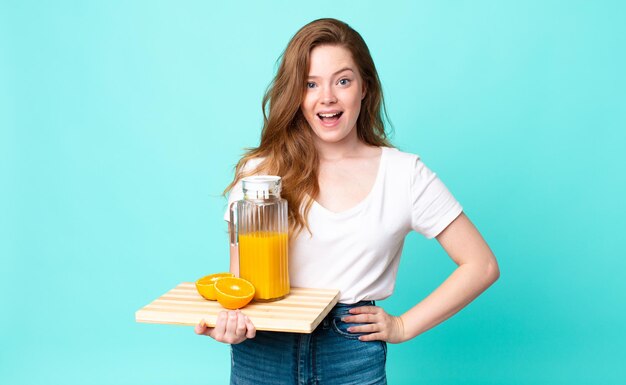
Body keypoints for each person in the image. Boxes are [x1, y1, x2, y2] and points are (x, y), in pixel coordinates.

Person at [195, 18, 499, 384]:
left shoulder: (404, 175)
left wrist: (403, 326)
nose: (327, 97)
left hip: (350, 351)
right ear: (296, 94)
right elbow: (240, 281)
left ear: (364, 88)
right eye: (310, 84)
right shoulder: (260, 175)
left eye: (342, 80)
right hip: (263, 348)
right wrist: (231, 323)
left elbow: (481, 265)